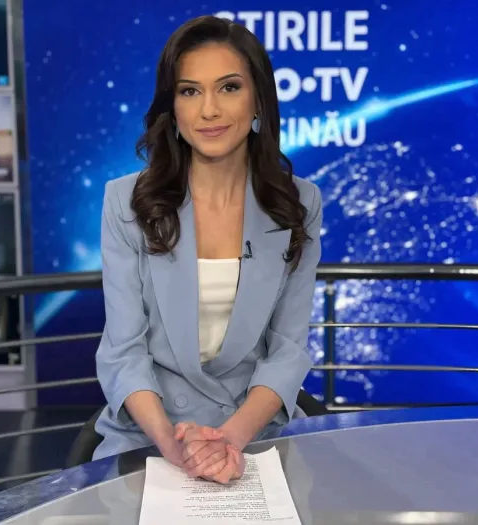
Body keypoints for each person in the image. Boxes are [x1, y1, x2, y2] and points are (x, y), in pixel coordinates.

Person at [93, 15, 323, 485]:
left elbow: (287, 349)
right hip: (150, 433)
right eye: (190, 91)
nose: (209, 110)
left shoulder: (299, 203)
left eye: (229, 88)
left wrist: (230, 439)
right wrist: (174, 443)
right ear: (173, 107)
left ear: (258, 100)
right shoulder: (126, 201)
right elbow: (123, 352)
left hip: (254, 431)